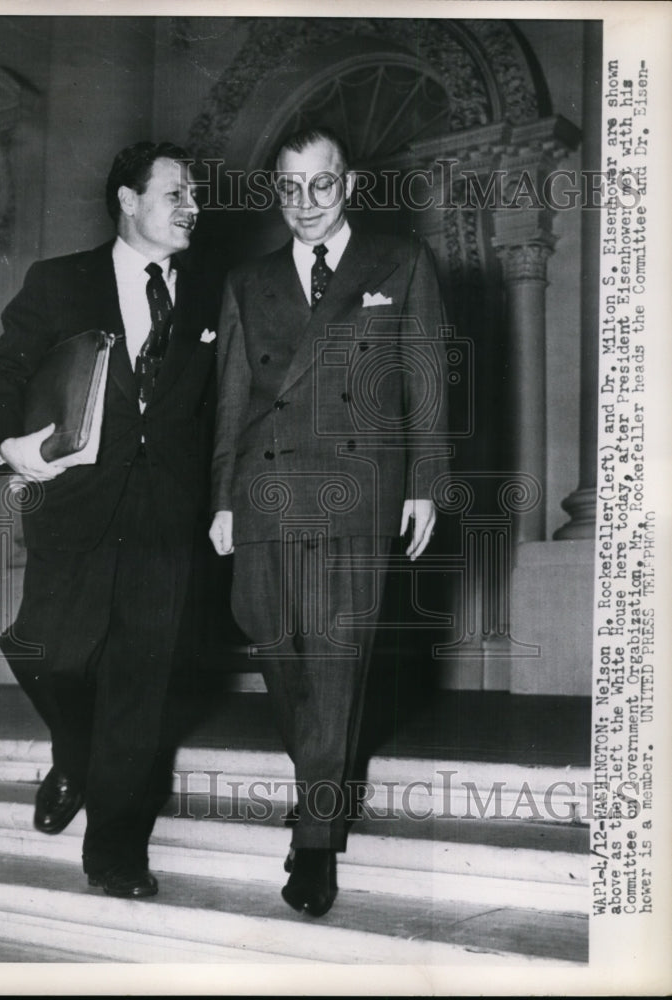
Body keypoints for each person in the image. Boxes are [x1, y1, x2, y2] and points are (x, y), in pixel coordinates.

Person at [209, 127, 449, 916]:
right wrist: (220, 499)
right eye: (288, 188)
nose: (304, 204)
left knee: (338, 660)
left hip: (359, 483)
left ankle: (314, 840)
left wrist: (426, 481)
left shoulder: (400, 263)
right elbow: (231, 400)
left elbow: (426, 375)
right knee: (279, 649)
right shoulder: (249, 278)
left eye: (319, 185)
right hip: (267, 486)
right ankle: (323, 789)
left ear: (347, 185)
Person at [0, 140, 219, 899]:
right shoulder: (60, 282)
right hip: (75, 505)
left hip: (165, 517)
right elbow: (5, 372)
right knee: (42, 648)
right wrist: (11, 448)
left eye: (196, 195)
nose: (193, 208)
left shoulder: (212, 294)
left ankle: (115, 852)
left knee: (138, 684)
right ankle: (76, 755)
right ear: (127, 199)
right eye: (175, 193)